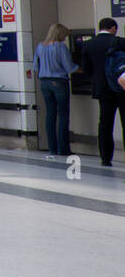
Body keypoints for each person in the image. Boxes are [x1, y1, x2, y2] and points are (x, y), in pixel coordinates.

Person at [76, 17, 125, 167]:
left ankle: (105, 158)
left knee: (105, 123)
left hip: (102, 89)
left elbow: (86, 69)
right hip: (121, 87)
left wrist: (96, 80)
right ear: (113, 28)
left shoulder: (88, 45)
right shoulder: (120, 42)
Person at [34, 22, 73, 158]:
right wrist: (80, 69)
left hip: (44, 82)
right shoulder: (61, 47)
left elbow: (35, 66)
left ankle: (52, 148)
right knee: (62, 114)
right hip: (59, 82)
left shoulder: (40, 46)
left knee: (50, 114)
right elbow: (69, 67)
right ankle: (63, 148)